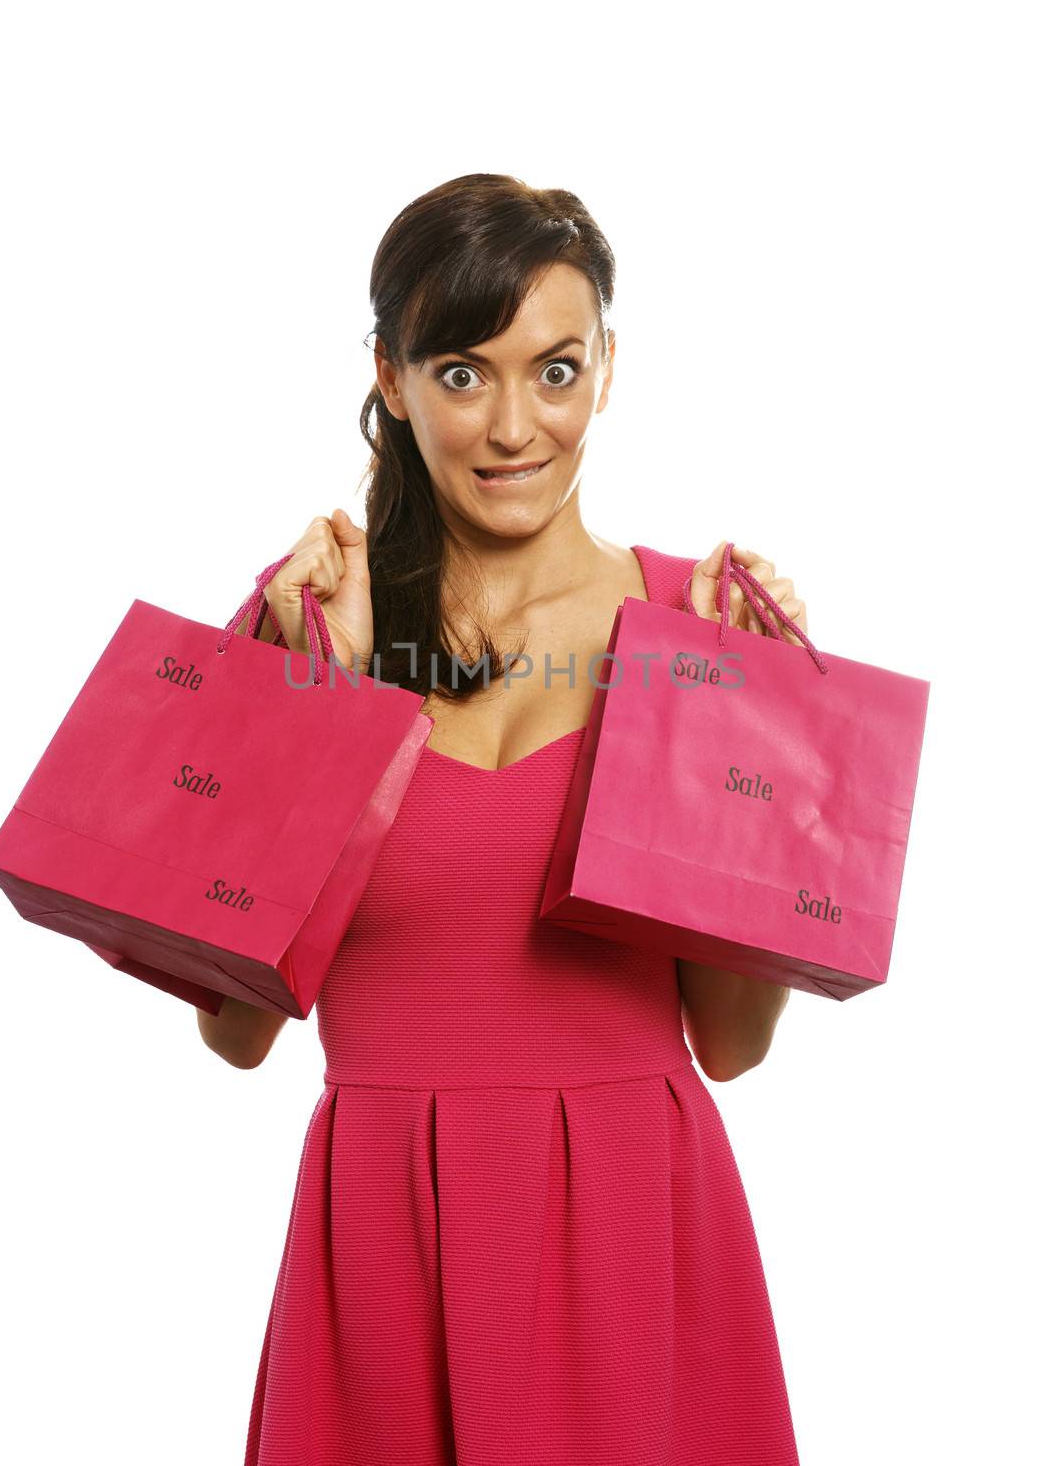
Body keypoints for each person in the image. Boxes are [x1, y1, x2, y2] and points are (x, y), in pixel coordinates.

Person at [200, 173, 806, 1465]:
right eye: (463, 373)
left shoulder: (689, 629)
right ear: (392, 374)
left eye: (557, 369)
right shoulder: (313, 618)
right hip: (385, 1238)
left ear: (607, 372)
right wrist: (327, 710)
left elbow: (734, 1041)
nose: (516, 424)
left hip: (639, 1228)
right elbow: (238, 1027)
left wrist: (757, 742)